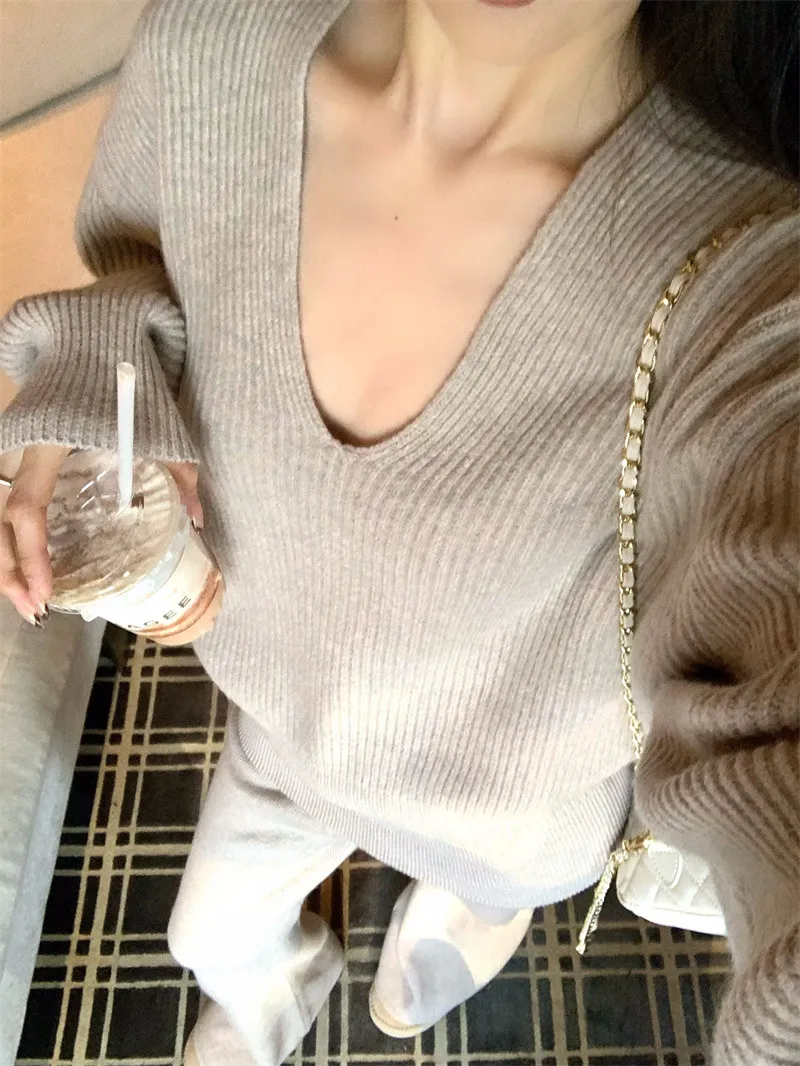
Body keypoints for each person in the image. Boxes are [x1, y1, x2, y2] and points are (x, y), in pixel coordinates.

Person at [0, 0, 797, 1062]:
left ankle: (477, 905)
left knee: (490, 886)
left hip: (511, 813)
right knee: (203, 938)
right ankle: (278, 985)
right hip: (282, 728)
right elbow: (147, 259)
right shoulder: (210, 40)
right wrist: (104, 363)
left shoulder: (752, 257)